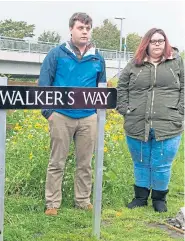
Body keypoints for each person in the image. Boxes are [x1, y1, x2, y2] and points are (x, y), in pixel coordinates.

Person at [39, 12, 106, 216]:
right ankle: (52, 203)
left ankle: (83, 200)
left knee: (85, 163)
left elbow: (101, 87)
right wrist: (48, 113)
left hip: (88, 118)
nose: (84, 32)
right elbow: (44, 83)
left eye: (87, 28)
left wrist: (97, 115)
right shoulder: (56, 54)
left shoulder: (97, 57)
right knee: (56, 162)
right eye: (80, 28)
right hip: (60, 115)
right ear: (71, 29)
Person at [116, 28, 184, 213]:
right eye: (153, 41)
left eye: (160, 41)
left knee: (162, 163)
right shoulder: (134, 64)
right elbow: (121, 87)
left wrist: (180, 111)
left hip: (169, 123)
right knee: (140, 161)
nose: (157, 44)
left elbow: (184, 87)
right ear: (146, 43)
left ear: (165, 42)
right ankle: (140, 197)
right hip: (137, 122)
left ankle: (159, 199)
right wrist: (124, 109)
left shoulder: (176, 61)